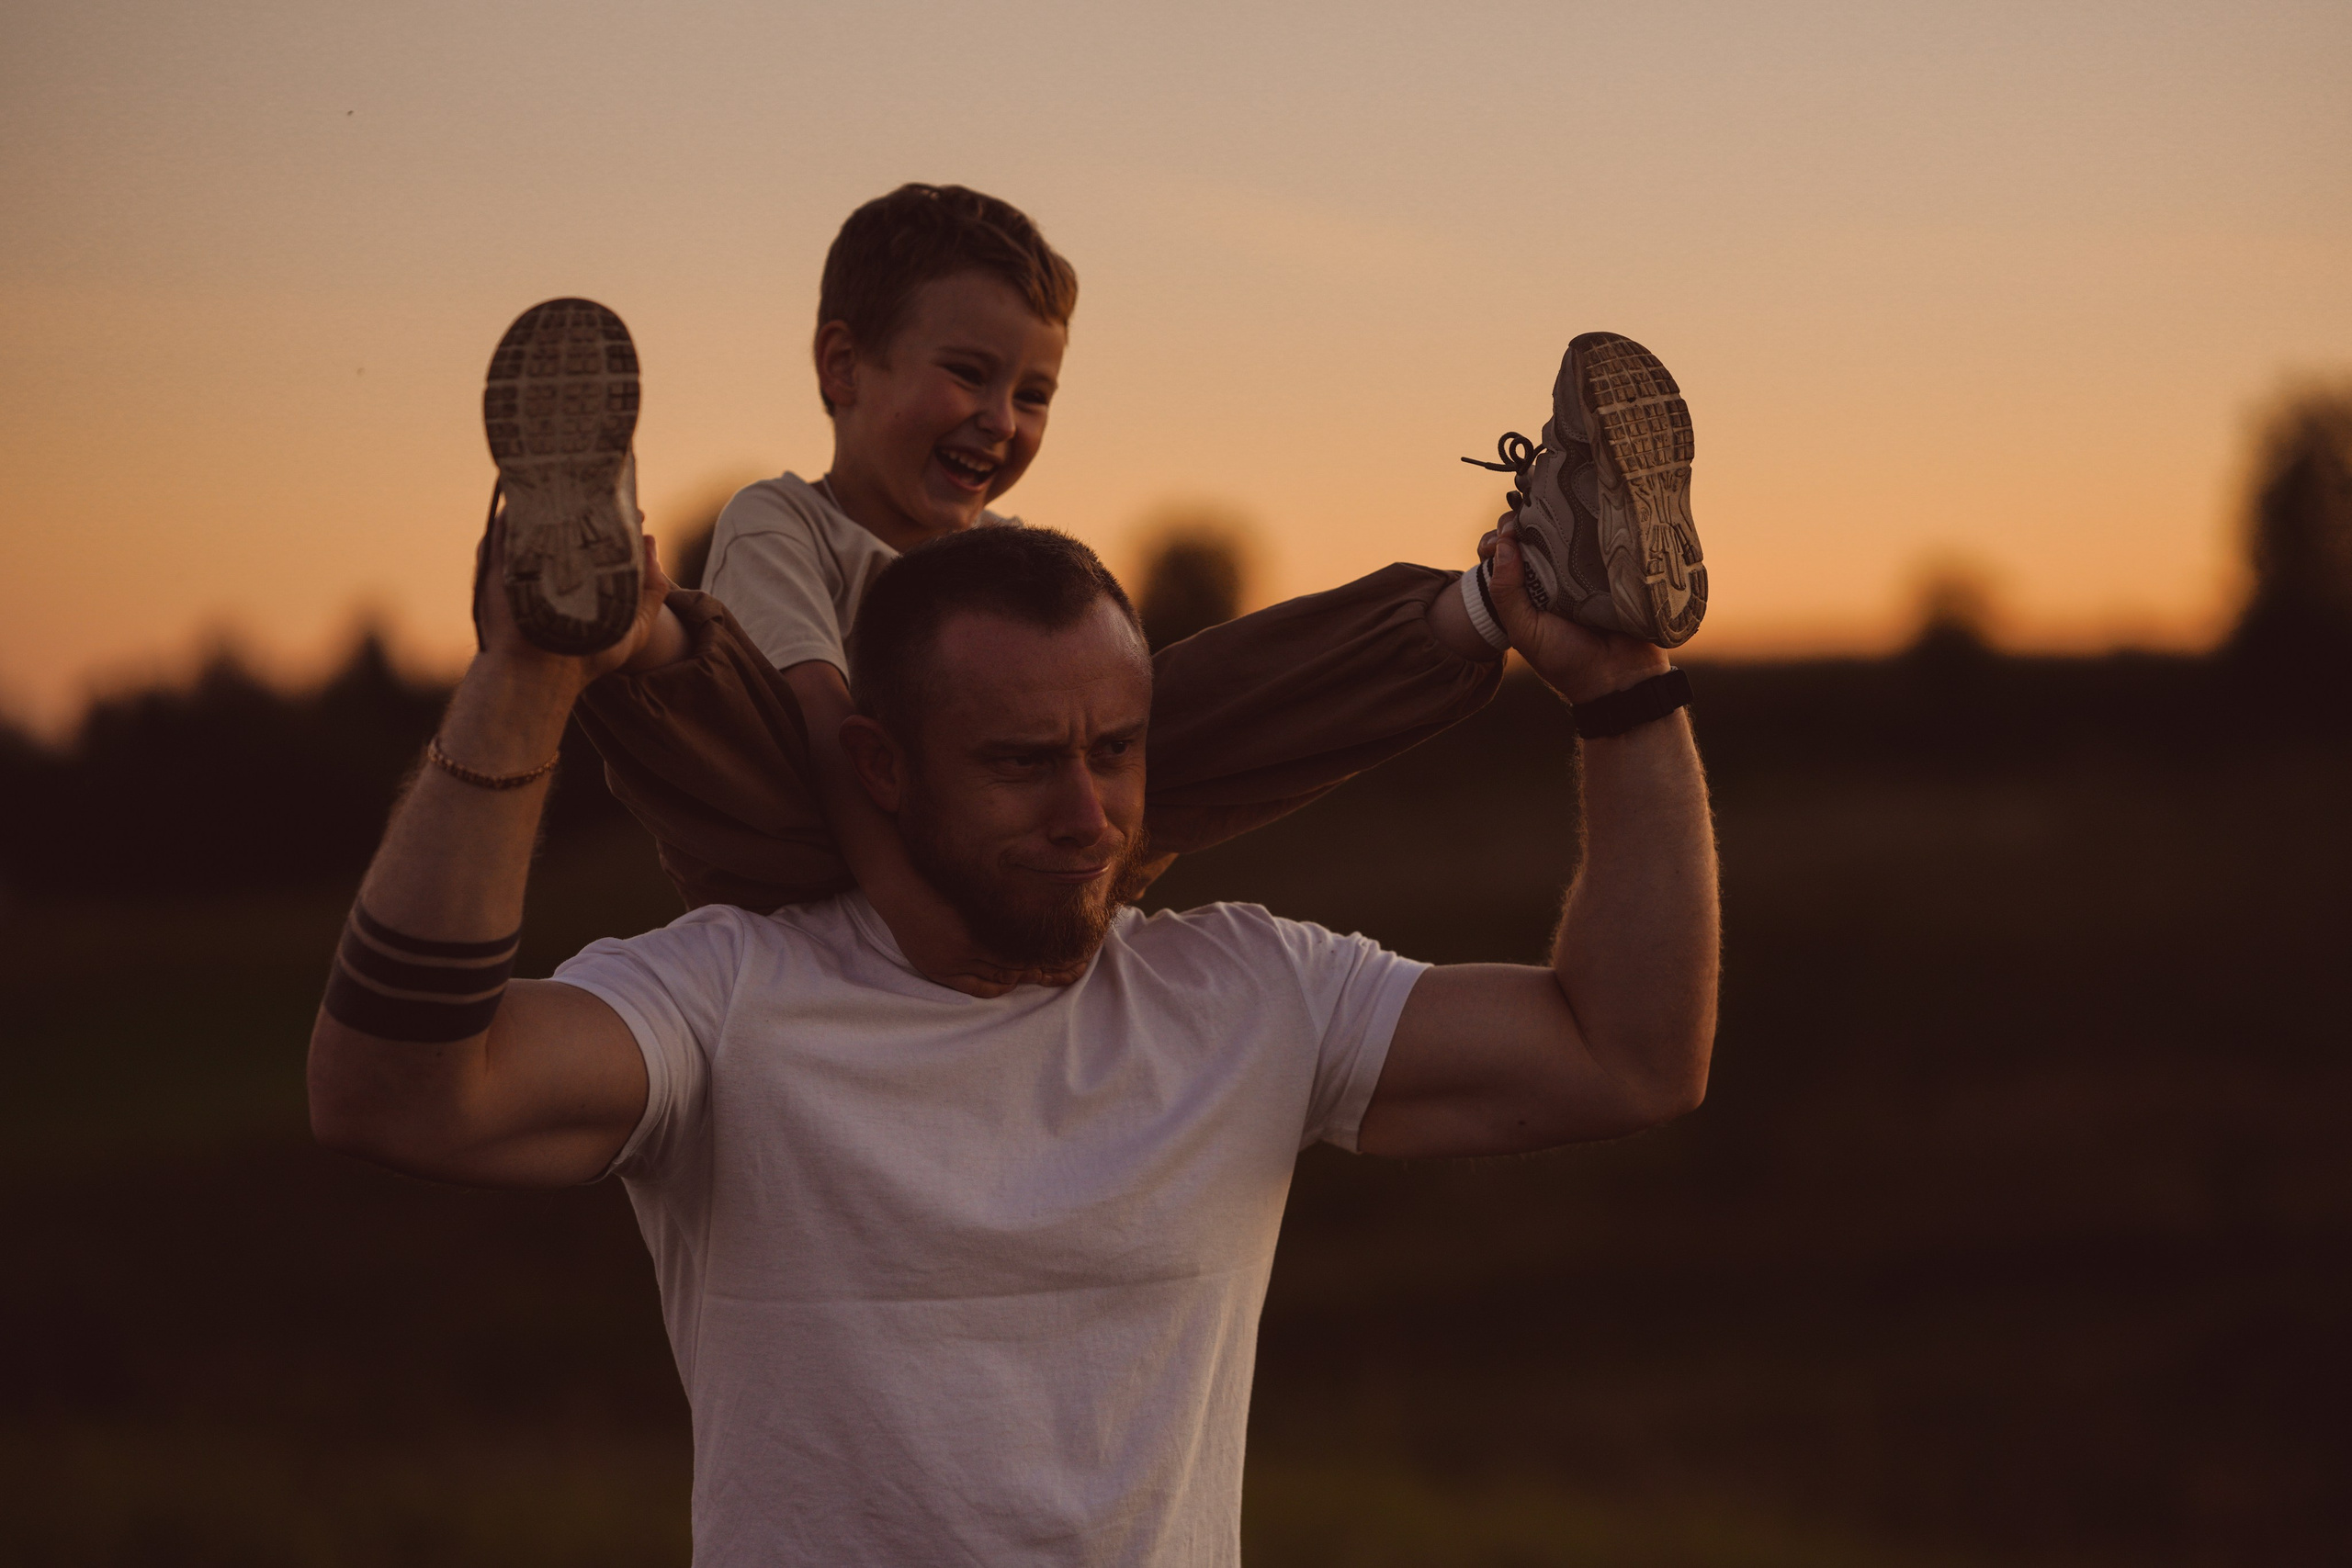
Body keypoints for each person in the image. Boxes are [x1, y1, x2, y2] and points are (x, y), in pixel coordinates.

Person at [309, 508, 1718, 1563]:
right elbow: (404, 1096)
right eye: (1022, 763)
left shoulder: (1244, 996)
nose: (1089, 815)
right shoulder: (732, 1002)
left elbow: (1629, 1053)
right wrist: (528, 676)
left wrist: (1622, 685)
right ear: (880, 770)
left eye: (1115, 751)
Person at [479, 185, 1704, 995]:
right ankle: (606, 600)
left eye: (1034, 394)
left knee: (1155, 711)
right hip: (806, 846)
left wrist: (1098, 775)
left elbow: (1116, 766)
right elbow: (814, 718)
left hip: (1019, 852)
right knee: (740, 713)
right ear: (842, 366)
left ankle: (1513, 586)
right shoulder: (780, 521)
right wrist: (906, 914)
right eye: (968, 375)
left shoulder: (1006, 560)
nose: (999, 422)